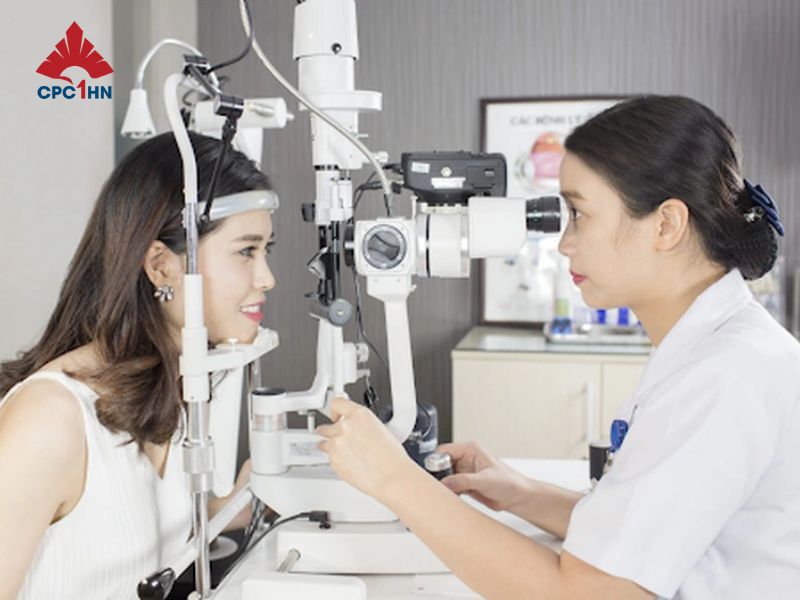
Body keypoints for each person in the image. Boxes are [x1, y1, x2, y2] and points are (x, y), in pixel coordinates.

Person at [316, 95, 800, 599]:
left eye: (579, 214)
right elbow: (648, 533)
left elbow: (596, 593)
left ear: (666, 224)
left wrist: (395, 480)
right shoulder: (716, 349)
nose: (565, 243)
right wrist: (522, 493)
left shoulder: (725, 375)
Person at [0, 132, 277, 599]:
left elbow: (123, 532)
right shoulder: (51, 417)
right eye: (246, 251)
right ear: (161, 265)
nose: (266, 278)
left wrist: (247, 499)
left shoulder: (168, 389)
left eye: (267, 250)